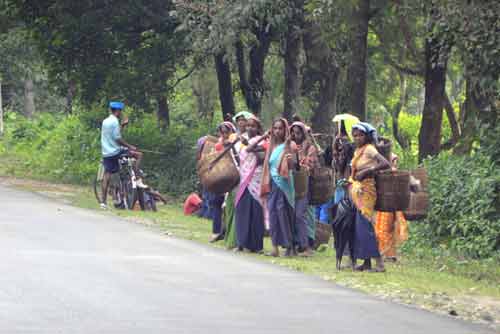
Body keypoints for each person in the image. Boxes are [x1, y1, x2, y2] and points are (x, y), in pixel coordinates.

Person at [349, 122, 391, 272]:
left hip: (367, 189)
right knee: (360, 227)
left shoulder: (370, 149)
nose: (357, 138)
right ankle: (366, 262)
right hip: (358, 189)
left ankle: (379, 263)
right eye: (355, 135)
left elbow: (385, 163)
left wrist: (368, 171)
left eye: (360, 135)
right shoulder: (358, 150)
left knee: (366, 225)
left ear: (366, 136)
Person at [261, 118, 297, 257]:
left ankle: (289, 247)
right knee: (273, 215)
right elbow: (268, 166)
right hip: (273, 184)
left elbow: (295, 165)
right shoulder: (271, 146)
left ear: (285, 129)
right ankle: (275, 248)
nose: (277, 131)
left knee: (284, 214)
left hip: (285, 185)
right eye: (275, 128)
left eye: (280, 128)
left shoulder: (290, 145)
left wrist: (290, 161)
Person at [100, 101, 146, 209]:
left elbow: (113, 135)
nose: (121, 113)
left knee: (107, 175)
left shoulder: (105, 121)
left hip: (106, 153)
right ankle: (138, 179)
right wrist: (130, 146)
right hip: (116, 151)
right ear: (118, 111)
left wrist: (122, 126)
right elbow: (117, 138)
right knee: (138, 155)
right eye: (120, 111)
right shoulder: (115, 121)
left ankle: (103, 202)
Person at [234, 116, 268, 253]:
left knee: (256, 213)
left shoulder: (264, 141)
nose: (249, 128)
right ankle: (241, 242)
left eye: (253, 126)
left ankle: (256, 245)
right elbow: (240, 159)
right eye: (247, 125)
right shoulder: (242, 142)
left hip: (256, 179)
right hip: (243, 179)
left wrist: (252, 145)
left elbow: (261, 158)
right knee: (242, 210)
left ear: (258, 128)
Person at [289, 121, 319, 256]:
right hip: (290, 183)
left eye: (298, 132)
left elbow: (310, 164)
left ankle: (306, 245)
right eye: (293, 132)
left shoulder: (310, 147)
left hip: (305, 184)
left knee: (301, 214)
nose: (296, 135)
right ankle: (294, 244)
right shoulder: (289, 146)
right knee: (292, 214)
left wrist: (299, 161)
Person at [374, 153, 409, 262]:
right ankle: (389, 253)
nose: (395, 163)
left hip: (389, 205)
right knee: (389, 228)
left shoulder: (389, 173)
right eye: (393, 161)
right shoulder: (390, 173)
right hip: (390, 204)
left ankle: (387, 253)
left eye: (395, 161)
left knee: (385, 228)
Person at [209, 122, 237, 243]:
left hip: (232, 177)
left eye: (227, 132)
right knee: (216, 203)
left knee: (227, 206)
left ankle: (225, 231)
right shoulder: (218, 143)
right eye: (222, 132)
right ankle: (216, 231)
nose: (224, 134)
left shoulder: (234, 141)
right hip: (220, 176)